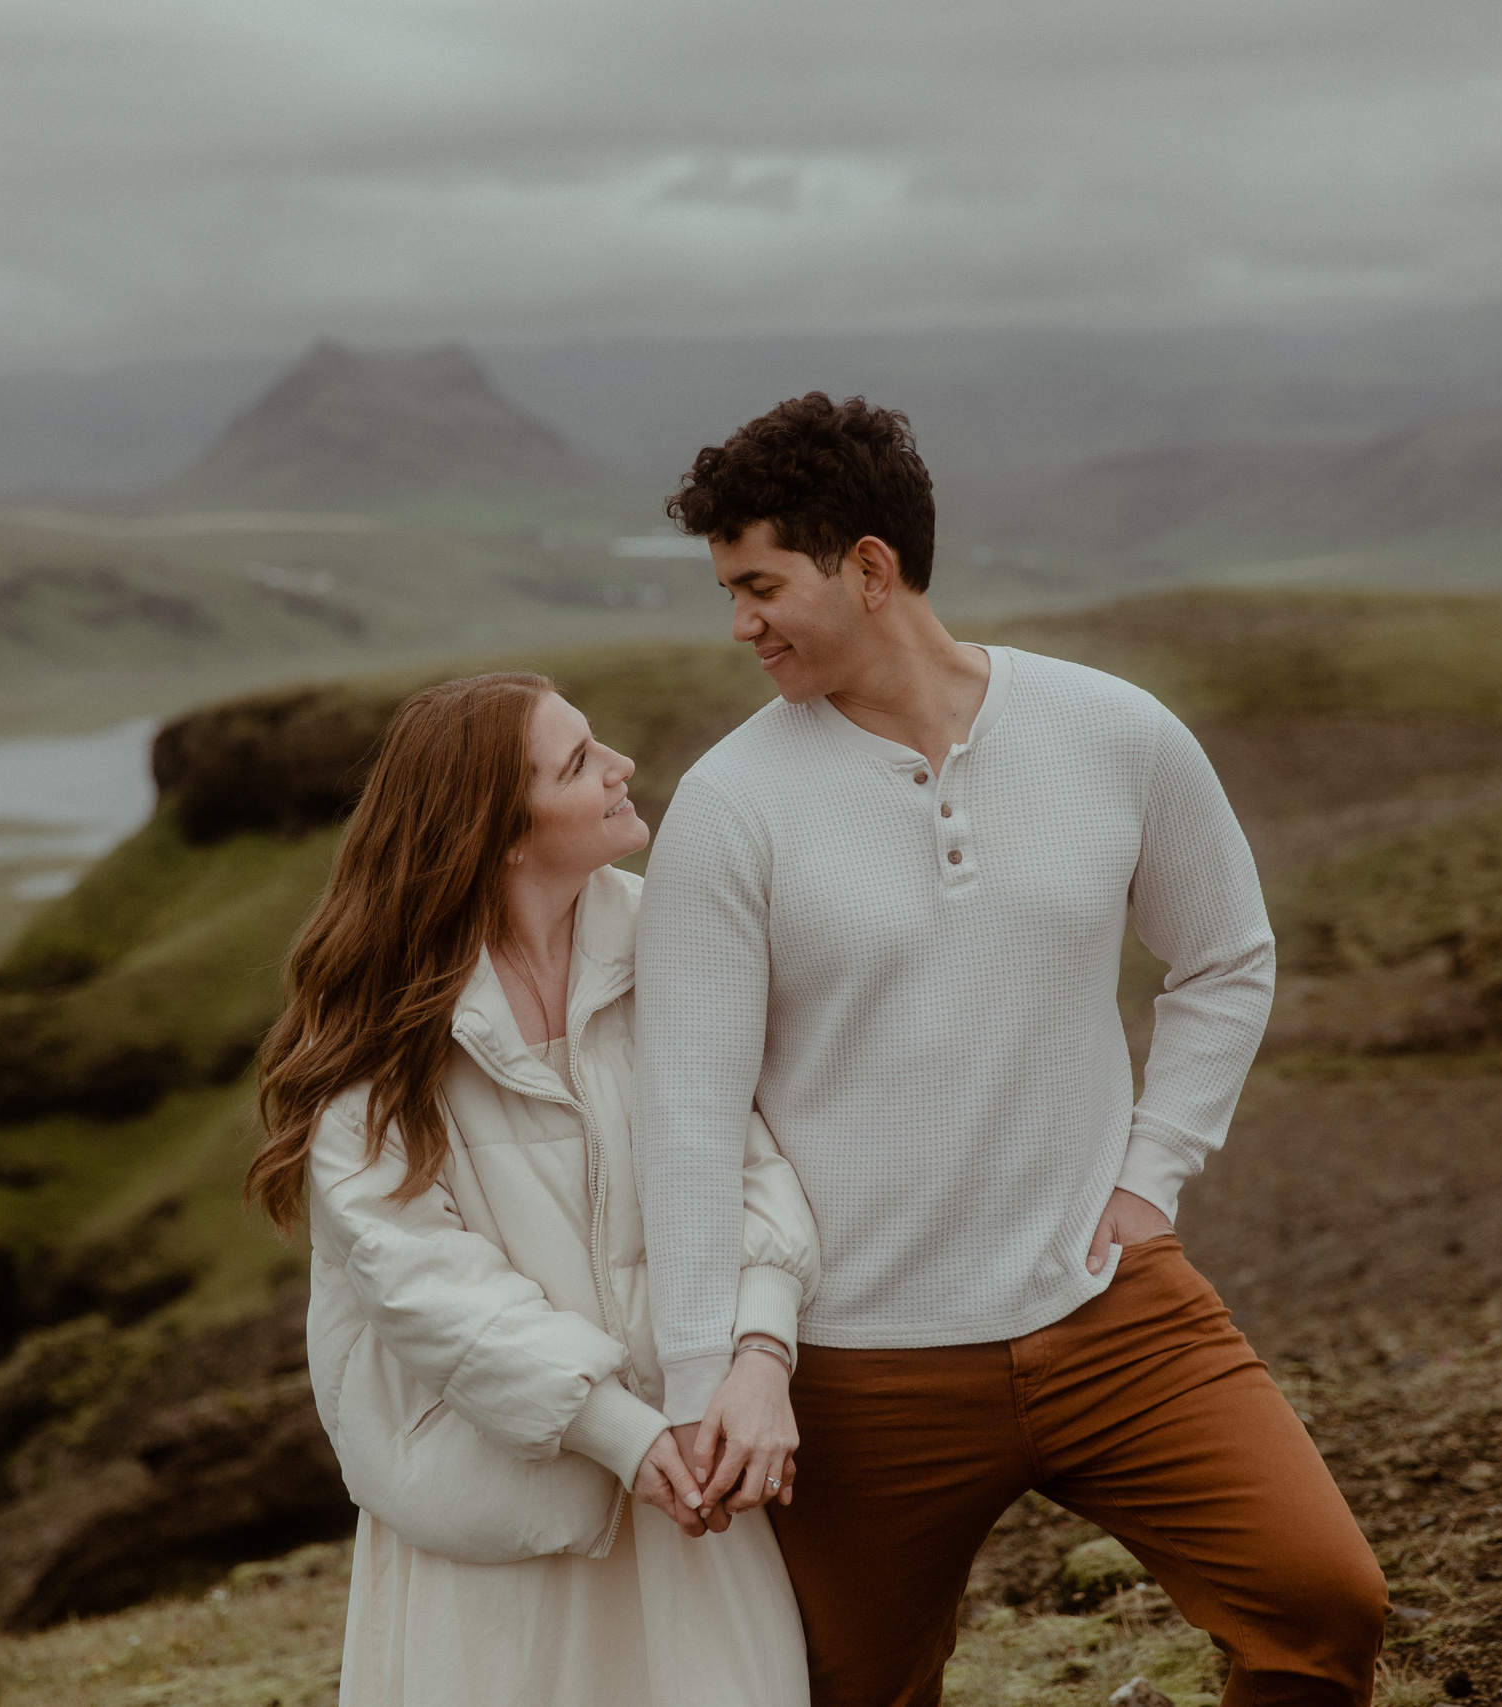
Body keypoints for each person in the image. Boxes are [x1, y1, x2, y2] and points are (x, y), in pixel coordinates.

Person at [636, 394, 1389, 1706]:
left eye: (761, 584)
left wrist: (1153, 1174)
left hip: (1114, 1314)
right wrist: (716, 1374)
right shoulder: (728, 806)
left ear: (871, 567)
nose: (741, 622)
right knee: (835, 1692)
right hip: (861, 1368)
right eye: (727, 590)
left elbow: (1225, 953)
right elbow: (690, 1112)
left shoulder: (1114, 728)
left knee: (1323, 1606)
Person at [245, 671, 817, 1707]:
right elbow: (417, 1278)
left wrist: (759, 1356)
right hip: (499, 1496)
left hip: (692, 1463)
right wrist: (618, 1432)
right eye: (578, 762)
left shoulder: (674, 940)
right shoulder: (375, 1030)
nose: (621, 769)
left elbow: (759, 1159)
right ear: (502, 835)